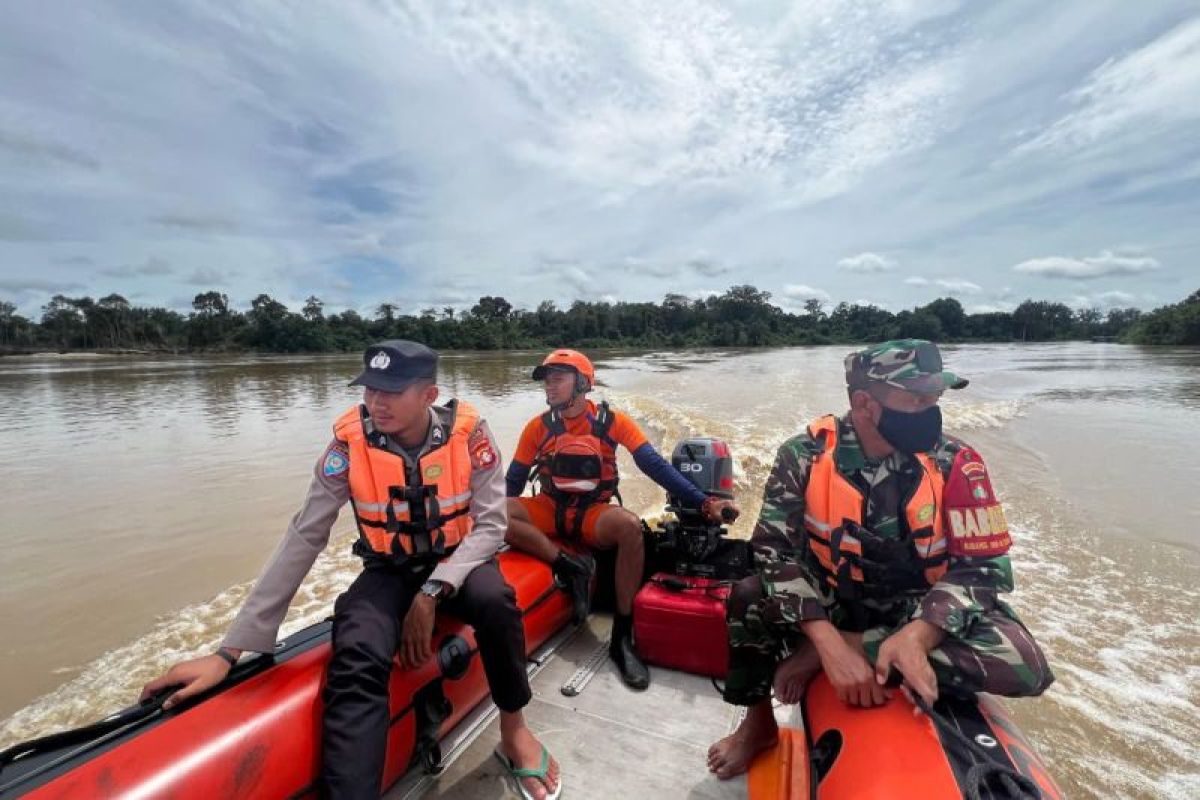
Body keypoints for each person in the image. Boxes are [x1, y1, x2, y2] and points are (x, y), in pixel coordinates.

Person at [142, 340, 561, 800]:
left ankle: (514, 729)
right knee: (357, 645)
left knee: (496, 602)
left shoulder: (469, 433)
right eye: (370, 390)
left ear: (428, 395)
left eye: (391, 391)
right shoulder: (348, 442)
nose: (375, 402)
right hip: (389, 567)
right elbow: (306, 534)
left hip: (457, 561)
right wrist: (230, 651)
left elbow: (491, 524)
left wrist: (433, 592)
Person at [707, 339, 1054, 780]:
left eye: (936, 398)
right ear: (865, 403)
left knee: (1027, 664)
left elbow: (985, 567)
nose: (930, 410)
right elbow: (772, 550)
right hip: (831, 597)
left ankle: (867, 647)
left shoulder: (956, 462)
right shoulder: (804, 456)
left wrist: (919, 636)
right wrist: (827, 640)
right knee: (746, 597)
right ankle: (758, 727)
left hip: (917, 606)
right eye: (916, 399)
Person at [503, 349, 738, 690]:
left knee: (629, 528)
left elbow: (654, 466)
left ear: (582, 383)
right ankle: (571, 566)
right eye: (546, 380)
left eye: (558, 379)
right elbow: (512, 483)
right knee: (494, 513)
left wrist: (704, 504)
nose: (549, 387)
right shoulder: (537, 428)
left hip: (592, 514)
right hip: (550, 508)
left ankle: (621, 638)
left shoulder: (613, 422)